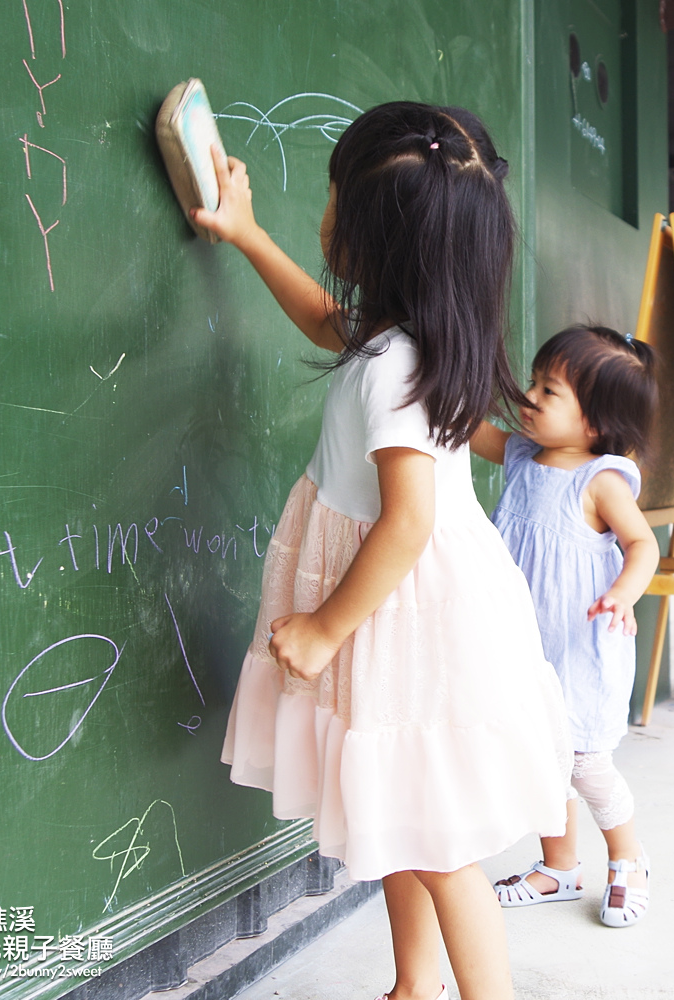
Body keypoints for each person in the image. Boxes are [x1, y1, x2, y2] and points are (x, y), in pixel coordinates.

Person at [200, 102, 570, 1000]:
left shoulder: (398, 367)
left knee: (441, 846)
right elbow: (327, 321)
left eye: (332, 198)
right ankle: (413, 986)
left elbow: (407, 521)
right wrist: (245, 237)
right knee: (403, 817)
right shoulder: (399, 342)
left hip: (405, 614)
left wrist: (325, 629)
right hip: (400, 606)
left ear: (375, 235)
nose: (322, 215)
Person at [470, 325, 661, 928]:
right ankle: (559, 867)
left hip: (581, 648)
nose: (528, 397)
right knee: (542, 757)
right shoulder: (523, 455)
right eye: (532, 381)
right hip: (526, 646)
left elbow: (643, 545)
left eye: (548, 391)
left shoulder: (601, 481)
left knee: (584, 763)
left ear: (595, 423)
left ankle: (628, 858)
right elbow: (472, 431)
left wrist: (623, 594)